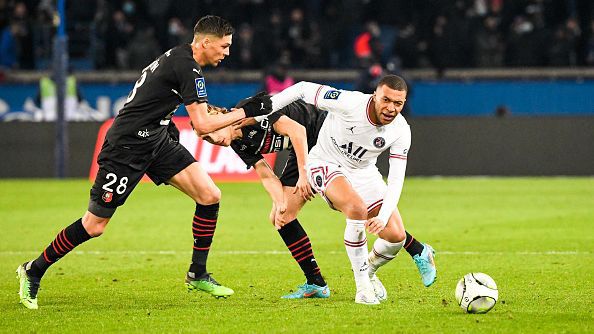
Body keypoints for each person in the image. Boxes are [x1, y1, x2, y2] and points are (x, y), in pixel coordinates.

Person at [16, 15, 272, 310]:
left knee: (210, 195)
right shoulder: (187, 67)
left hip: (157, 138)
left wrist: (215, 128)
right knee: (94, 225)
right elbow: (202, 125)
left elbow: (190, 115)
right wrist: (246, 112)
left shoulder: (182, 59)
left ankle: (197, 273)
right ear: (205, 42)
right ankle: (33, 270)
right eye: (224, 46)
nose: (227, 53)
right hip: (127, 146)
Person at [203, 87, 436, 304]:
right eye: (205, 139)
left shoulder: (250, 109)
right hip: (302, 149)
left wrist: (306, 173)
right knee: (281, 217)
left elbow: (297, 130)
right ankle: (316, 283)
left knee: (358, 209)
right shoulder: (239, 144)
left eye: (210, 133)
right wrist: (280, 202)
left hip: (322, 136)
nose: (212, 141)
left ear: (217, 117)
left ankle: (402, 256)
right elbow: (265, 174)